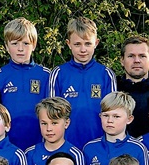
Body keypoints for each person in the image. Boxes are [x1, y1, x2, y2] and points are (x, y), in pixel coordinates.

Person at [48, 17, 117, 149]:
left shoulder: (106, 75)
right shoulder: (58, 74)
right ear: (68, 44)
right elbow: (51, 115)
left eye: (88, 44)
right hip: (66, 145)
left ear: (96, 43)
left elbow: (113, 114)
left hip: (99, 146)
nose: (83, 49)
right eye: (77, 44)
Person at [82, 91, 149, 165]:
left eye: (116, 116)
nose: (110, 120)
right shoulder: (89, 148)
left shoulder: (138, 148)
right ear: (100, 116)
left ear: (129, 119)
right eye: (106, 115)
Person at [0, 18, 51, 151]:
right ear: (7, 46)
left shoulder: (46, 75)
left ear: (34, 45)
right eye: (15, 43)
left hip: (40, 143)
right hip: (8, 144)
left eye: (26, 43)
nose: (20, 49)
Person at [26, 97, 87, 165]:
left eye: (54, 123)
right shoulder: (30, 153)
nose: (49, 129)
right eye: (44, 123)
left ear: (66, 123)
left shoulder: (76, 154)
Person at [115, 35, 149, 138]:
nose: (137, 60)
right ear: (122, 61)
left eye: (142, 56)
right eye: (131, 56)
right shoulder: (111, 92)